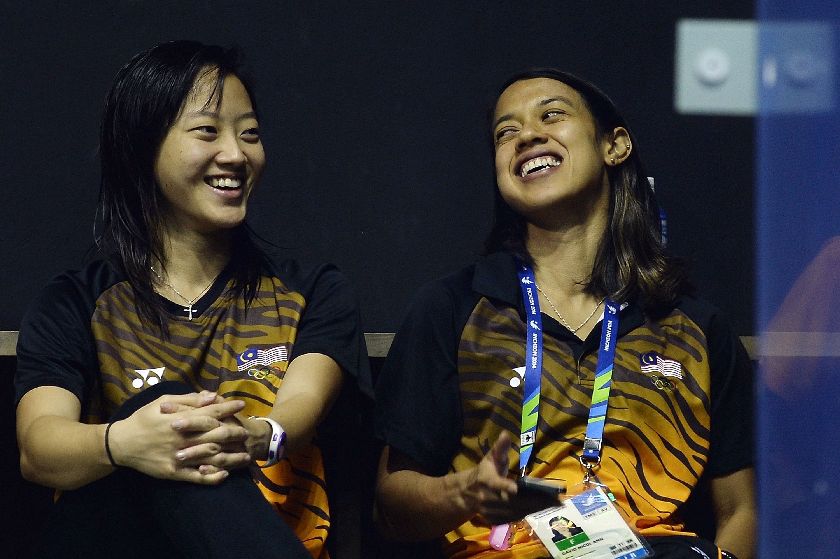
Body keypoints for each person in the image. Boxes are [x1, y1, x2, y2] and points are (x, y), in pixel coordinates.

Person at [374, 69, 755, 559]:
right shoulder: (453, 307)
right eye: (505, 133)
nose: (527, 136)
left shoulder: (694, 329)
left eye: (551, 115)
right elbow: (391, 508)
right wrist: (465, 492)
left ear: (614, 145)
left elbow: (741, 510)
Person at [15, 40, 369, 559]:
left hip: (271, 539)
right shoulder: (76, 301)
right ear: (142, 146)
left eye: (249, 134)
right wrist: (128, 442)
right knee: (159, 411)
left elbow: (301, 408)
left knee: (176, 424)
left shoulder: (311, 290)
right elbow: (39, 448)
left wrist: (255, 435)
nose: (236, 154)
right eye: (207, 131)